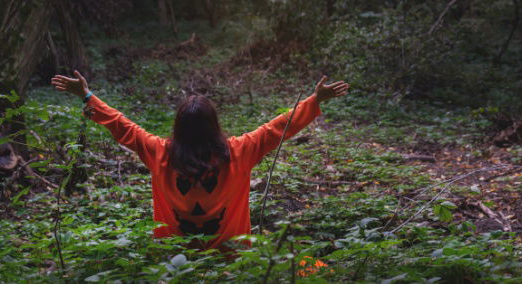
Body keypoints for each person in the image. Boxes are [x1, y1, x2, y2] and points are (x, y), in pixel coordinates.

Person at [51, 70, 349, 249]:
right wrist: (314, 101)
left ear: (178, 127)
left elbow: (122, 126)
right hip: (232, 261)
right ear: (214, 125)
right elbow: (277, 128)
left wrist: (88, 96)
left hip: (176, 262)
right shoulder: (239, 152)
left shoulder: (160, 153)